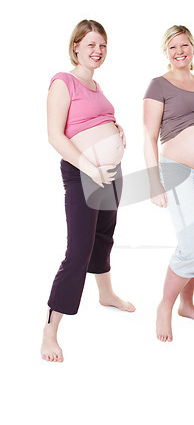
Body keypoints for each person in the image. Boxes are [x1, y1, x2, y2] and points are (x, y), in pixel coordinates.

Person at [41, 20, 135, 363]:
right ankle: (50, 331)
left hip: (110, 173)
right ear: (76, 46)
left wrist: (114, 126)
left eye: (103, 45)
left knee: (104, 236)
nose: (98, 51)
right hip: (84, 174)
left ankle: (106, 293)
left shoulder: (96, 86)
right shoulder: (62, 82)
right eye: (91, 44)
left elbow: (93, 121)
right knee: (78, 249)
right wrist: (90, 166)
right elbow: (55, 135)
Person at [143, 25, 194, 342]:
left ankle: (187, 304)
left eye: (185, 45)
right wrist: (153, 182)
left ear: (193, 46)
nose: (180, 51)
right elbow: (149, 137)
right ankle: (166, 306)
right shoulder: (158, 85)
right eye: (173, 47)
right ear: (166, 51)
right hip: (178, 172)